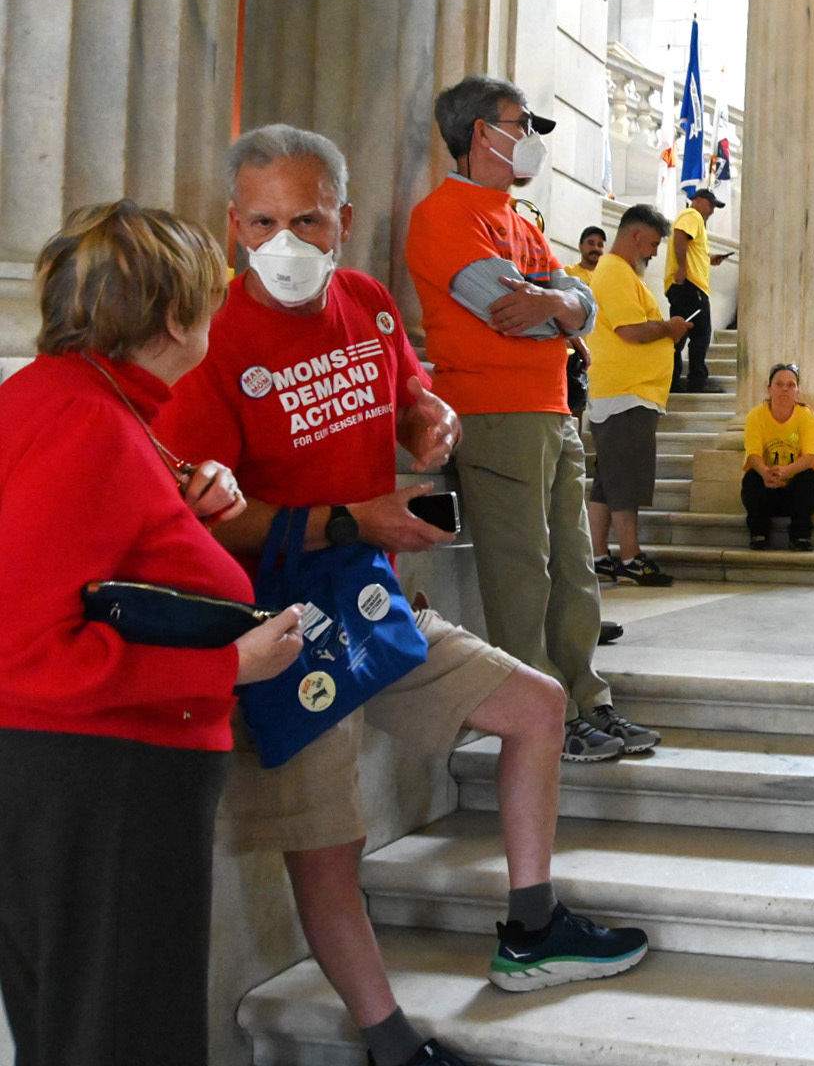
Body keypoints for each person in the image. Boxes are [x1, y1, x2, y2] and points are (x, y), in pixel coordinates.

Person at [166, 127, 654, 1066]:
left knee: (535, 706)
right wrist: (357, 521)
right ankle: (391, 1045)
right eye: (262, 223)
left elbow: (411, 395)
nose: (283, 243)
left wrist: (431, 416)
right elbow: (215, 523)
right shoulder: (210, 340)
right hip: (279, 626)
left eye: (307, 220)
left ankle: (532, 927)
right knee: (328, 848)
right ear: (232, 226)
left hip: (376, 599)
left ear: (343, 220)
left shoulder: (367, 301)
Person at [0, 200, 305, 1066]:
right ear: (174, 317)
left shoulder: (71, 397)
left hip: (84, 778)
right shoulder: (87, 420)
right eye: (209, 301)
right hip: (102, 780)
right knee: (119, 1033)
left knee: (84, 1025)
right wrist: (224, 668)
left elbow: (91, 555)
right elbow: (24, 647)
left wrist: (180, 509)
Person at [404, 76, 620, 749]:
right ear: (480, 133)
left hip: (550, 408)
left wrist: (561, 304)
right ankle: (544, 716)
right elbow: (509, 313)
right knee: (522, 572)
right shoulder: (443, 215)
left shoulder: (518, 220)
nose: (529, 139)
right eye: (520, 124)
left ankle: (587, 699)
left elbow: (581, 302)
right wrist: (562, 309)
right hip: (495, 410)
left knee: (574, 568)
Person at [587, 204, 689, 589]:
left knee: (608, 481)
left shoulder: (618, 273)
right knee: (626, 481)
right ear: (635, 236)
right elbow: (630, 330)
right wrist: (669, 328)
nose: (655, 253)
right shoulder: (615, 271)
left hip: (623, 393)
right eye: (653, 244)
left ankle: (599, 556)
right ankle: (631, 557)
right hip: (627, 394)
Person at [742, 364, 814, 549]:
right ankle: (759, 533)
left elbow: (811, 456)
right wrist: (765, 473)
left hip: (796, 493)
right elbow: (752, 453)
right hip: (767, 487)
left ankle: (801, 536)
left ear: (797, 391)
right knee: (751, 477)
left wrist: (786, 471)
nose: (784, 389)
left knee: (808, 477)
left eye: (790, 385)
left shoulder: (807, 416)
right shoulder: (756, 415)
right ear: (769, 389)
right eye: (779, 384)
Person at [667, 186, 730, 393]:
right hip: (691, 286)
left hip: (683, 287)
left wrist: (710, 259)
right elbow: (680, 236)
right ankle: (697, 381)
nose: (712, 210)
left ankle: (672, 380)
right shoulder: (692, 215)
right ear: (698, 200)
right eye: (710, 204)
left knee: (679, 333)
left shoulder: (692, 219)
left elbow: (690, 247)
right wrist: (682, 268)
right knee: (700, 334)